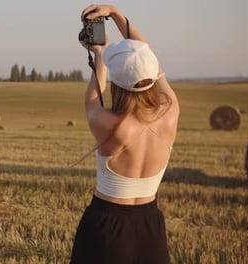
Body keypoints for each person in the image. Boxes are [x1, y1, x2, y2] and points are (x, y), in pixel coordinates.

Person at [70, 4, 179, 264]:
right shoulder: (171, 111)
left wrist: (100, 54)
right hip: (151, 228)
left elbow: (96, 91)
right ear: (152, 73)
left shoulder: (106, 123)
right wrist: (117, 15)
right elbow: (149, 57)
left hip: (107, 227)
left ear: (117, 84)